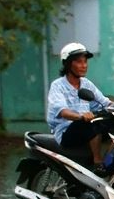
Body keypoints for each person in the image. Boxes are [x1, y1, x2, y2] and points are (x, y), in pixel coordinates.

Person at [46, 42, 110, 175]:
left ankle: (110, 161)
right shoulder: (58, 86)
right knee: (91, 124)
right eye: (79, 62)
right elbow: (63, 112)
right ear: (68, 64)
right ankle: (98, 162)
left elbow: (104, 102)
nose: (84, 65)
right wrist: (81, 116)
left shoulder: (86, 84)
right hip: (65, 132)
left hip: (84, 128)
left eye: (85, 61)